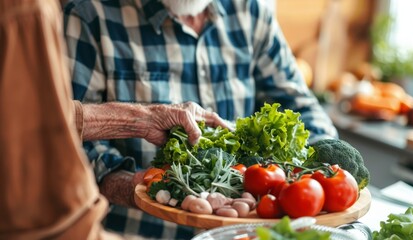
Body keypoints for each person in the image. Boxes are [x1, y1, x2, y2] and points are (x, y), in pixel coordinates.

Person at [63, 0, 339, 238]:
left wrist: (320, 176)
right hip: (134, 233)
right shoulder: (90, 15)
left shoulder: (249, 11)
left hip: (241, 233)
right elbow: (66, 141)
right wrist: (150, 187)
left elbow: (300, 106)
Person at [0, 0, 228, 239]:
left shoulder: (251, 12)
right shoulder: (35, 11)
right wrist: (141, 186)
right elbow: (53, 220)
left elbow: (51, 117)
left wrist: (143, 119)